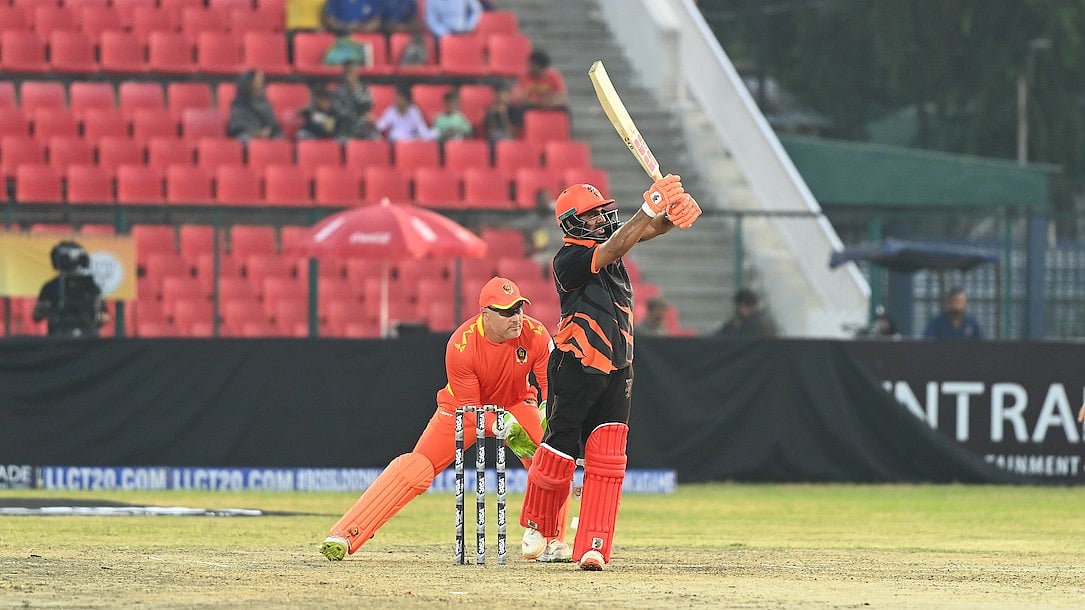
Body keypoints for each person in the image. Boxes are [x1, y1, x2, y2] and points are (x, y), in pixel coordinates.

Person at [518, 177, 702, 571]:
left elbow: (642, 232)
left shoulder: (613, 247)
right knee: (560, 449)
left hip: (618, 367)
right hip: (575, 365)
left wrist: (672, 212)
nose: (602, 218)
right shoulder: (566, 260)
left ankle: (593, 544)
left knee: (608, 457)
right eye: (592, 215)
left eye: (603, 211)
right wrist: (648, 209)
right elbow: (619, 241)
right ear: (571, 224)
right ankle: (539, 524)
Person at [320, 277, 567, 561]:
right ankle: (346, 533)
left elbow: (552, 387)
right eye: (508, 312)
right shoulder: (461, 346)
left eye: (520, 309)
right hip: (461, 410)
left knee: (551, 459)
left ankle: (552, 540)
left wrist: (549, 423)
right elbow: (472, 411)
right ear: (485, 314)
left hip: (516, 402)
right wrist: (506, 427)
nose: (517, 318)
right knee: (417, 467)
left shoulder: (535, 333)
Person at [32, 241, 109, 338]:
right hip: (66, 336)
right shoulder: (52, 286)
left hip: (81, 337)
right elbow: (37, 315)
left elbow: (104, 316)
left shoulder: (90, 285)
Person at [329, 60, 380, 140]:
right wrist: (360, 116)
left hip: (362, 129)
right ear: (344, 73)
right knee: (341, 141)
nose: (352, 75)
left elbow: (368, 103)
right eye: (349, 72)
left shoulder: (363, 89)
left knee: (376, 138)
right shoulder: (337, 92)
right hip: (345, 129)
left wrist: (355, 91)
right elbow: (341, 114)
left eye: (354, 72)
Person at [226, 70, 283, 142]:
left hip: (265, 134)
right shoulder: (239, 104)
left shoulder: (265, 102)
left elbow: (272, 123)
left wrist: (268, 130)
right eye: (258, 81)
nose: (261, 83)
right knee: (244, 139)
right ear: (249, 83)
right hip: (248, 134)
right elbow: (238, 126)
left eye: (261, 81)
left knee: (279, 139)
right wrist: (255, 133)